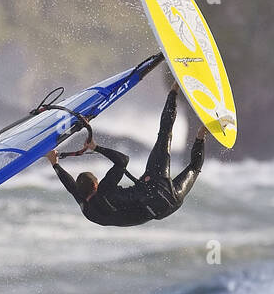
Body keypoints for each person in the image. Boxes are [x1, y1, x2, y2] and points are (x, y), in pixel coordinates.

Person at [46, 86, 205, 227]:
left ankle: (201, 135)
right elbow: (123, 161)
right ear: (95, 185)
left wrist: (56, 165)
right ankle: (174, 90)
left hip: (166, 208)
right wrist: (95, 148)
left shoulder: (89, 211)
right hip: (154, 188)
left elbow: (71, 187)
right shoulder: (99, 194)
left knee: (194, 168)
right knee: (165, 135)